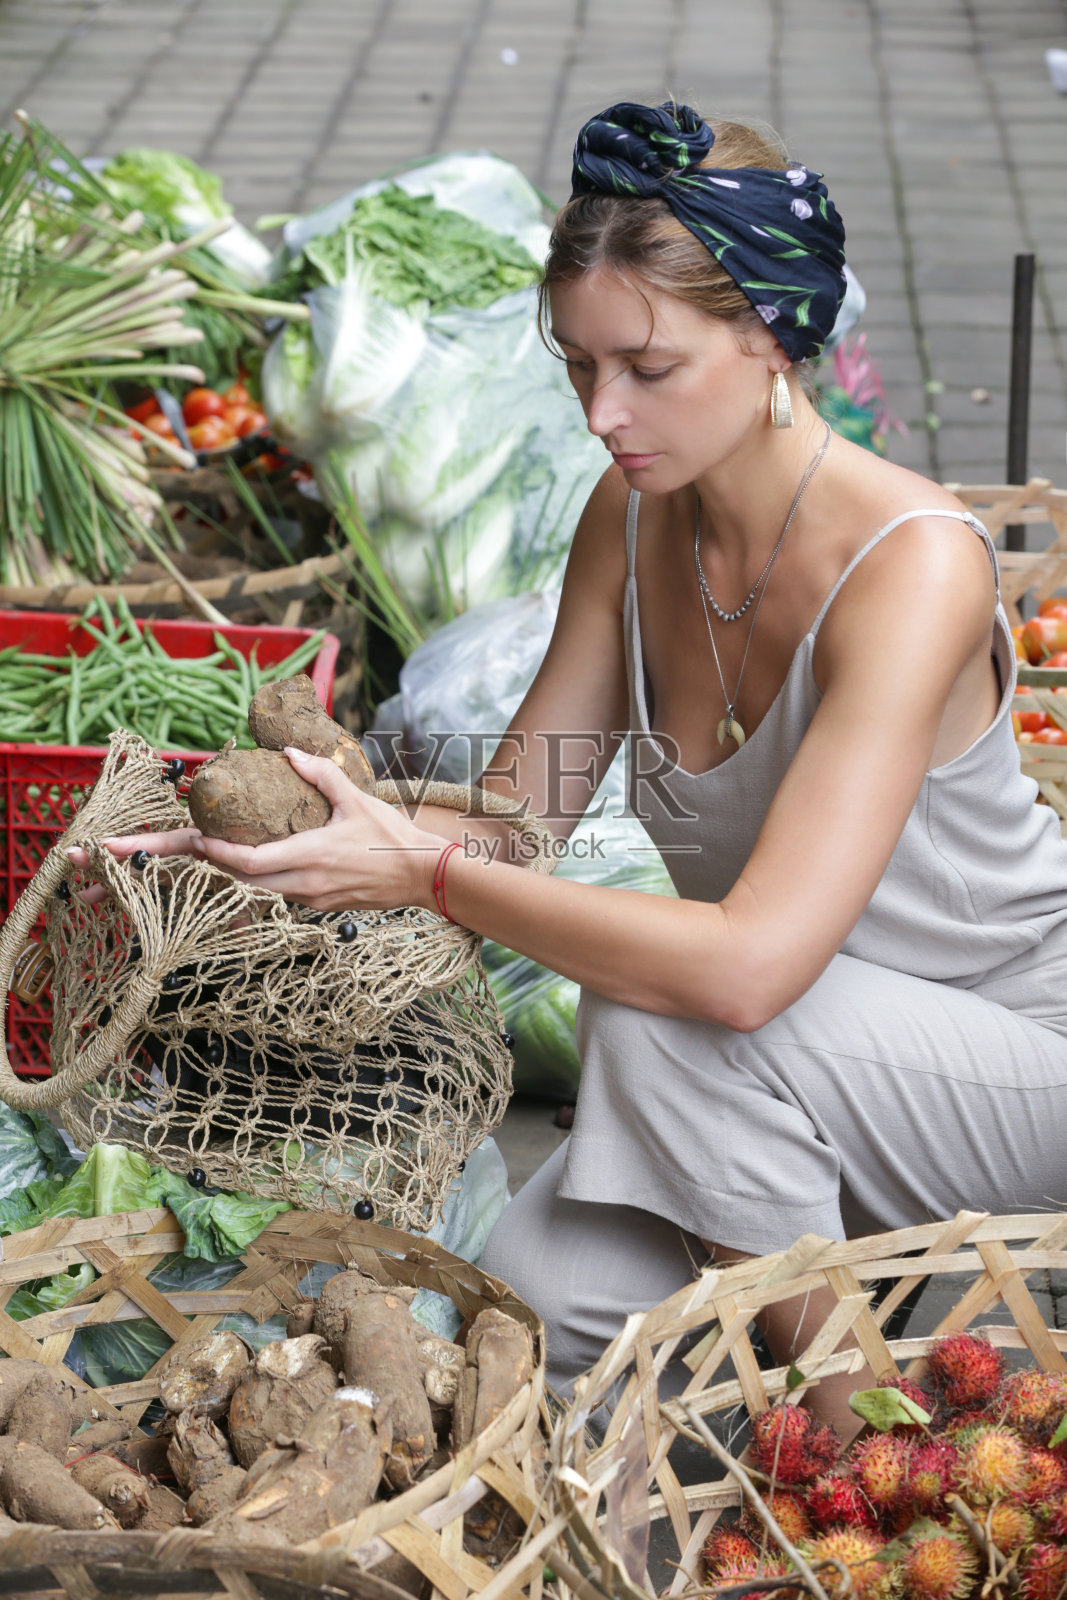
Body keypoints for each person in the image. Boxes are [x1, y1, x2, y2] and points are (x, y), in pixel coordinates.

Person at [90, 101, 1067, 1429]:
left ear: (770, 335)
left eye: (647, 368)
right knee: (533, 1307)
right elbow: (517, 821)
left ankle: (880, 1455)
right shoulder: (634, 511)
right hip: (767, 1070)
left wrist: (423, 873)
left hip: (1006, 1060)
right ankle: (746, 1408)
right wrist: (346, 818)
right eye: (576, 364)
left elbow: (742, 971)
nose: (603, 413)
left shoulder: (914, 563)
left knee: (662, 1004)